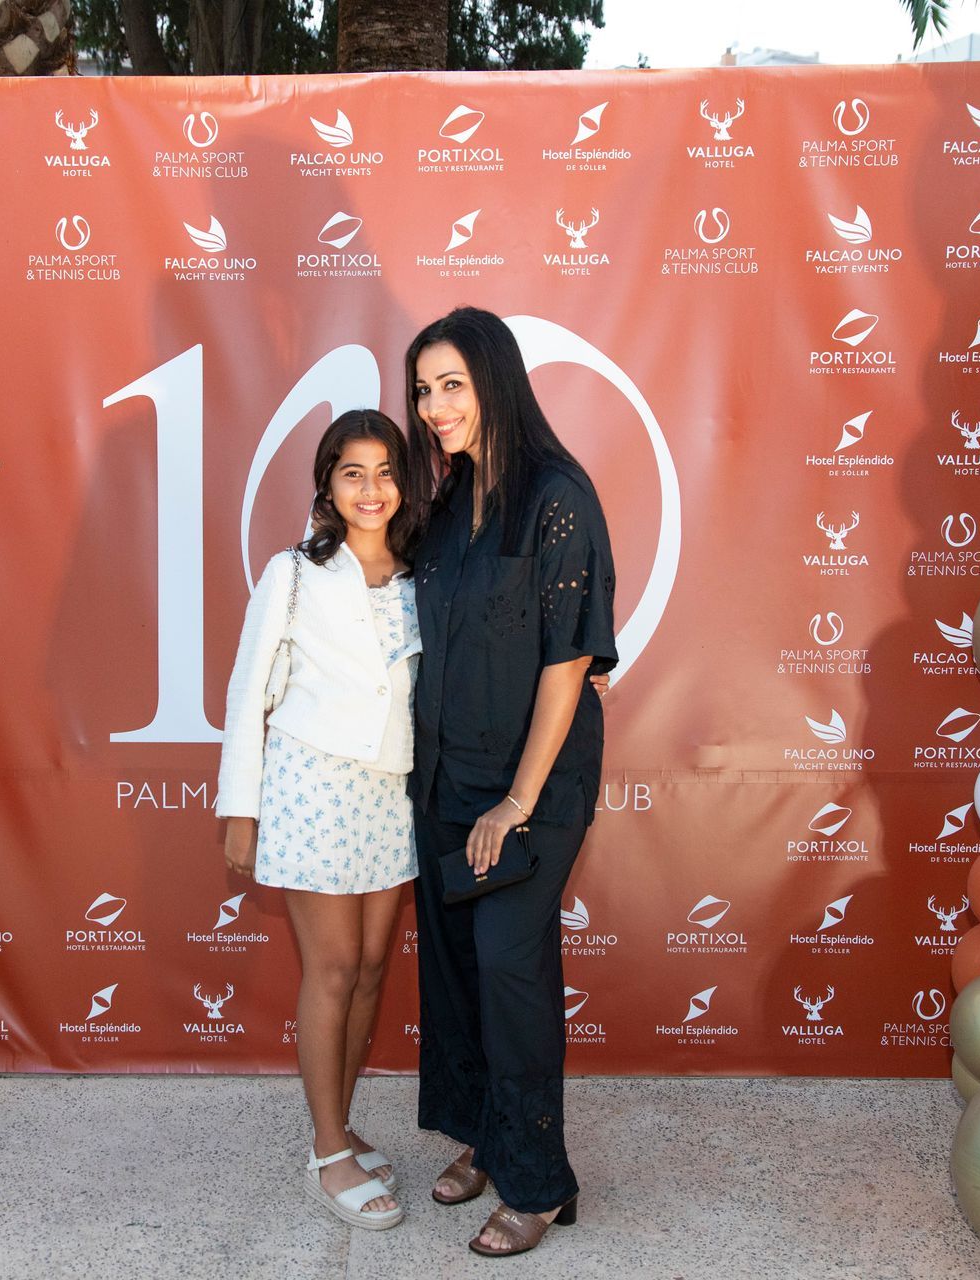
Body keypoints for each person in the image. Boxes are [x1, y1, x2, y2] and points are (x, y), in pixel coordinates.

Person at [403, 306, 618, 1257]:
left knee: (508, 966)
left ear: (495, 381)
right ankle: (486, 1140)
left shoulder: (557, 498)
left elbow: (568, 662)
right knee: (456, 970)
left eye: (452, 384)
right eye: (423, 389)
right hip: (446, 778)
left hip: (532, 787)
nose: (434, 406)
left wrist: (518, 802)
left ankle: (538, 1181)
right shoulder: (447, 502)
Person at [215, 410, 422, 1231]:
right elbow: (248, 691)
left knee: (370, 968)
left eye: (385, 471)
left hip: (392, 792)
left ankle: (340, 1124)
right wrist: (241, 809)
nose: (371, 489)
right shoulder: (295, 572)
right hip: (312, 786)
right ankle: (328, 1152)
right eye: (352, 472)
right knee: (332, 968)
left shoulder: (422, 572)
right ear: (328, 485)